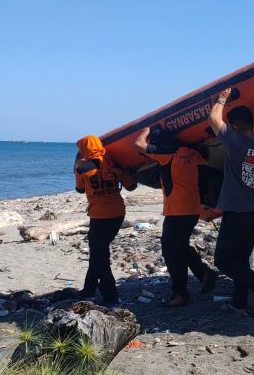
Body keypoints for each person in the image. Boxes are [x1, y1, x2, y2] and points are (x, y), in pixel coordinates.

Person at [208, 87, 254, 317]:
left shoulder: (236, 143)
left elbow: (213, 119)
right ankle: (239, 304)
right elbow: (252, 134)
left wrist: (221, 99)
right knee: (240, 261)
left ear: (236, 128)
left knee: (223, 260)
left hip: (238, 212)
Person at [134, 127, 217, 307]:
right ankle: (203, 274)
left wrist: (146, 129)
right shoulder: (193, 153)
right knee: (179, 247)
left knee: (171, 252)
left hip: (177, 211)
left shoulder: (167, 154)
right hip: (192, 209)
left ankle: (181, 293)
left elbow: (139, 145)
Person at [74, 135, 137, 307]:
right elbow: (132, 186)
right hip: (118, 214)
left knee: (99, 256)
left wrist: (78, 164)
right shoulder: (113, 163)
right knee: (98, 252)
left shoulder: (82, 168)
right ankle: (89, 289)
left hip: (99, 216)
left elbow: (80, 190)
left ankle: (111, 296)